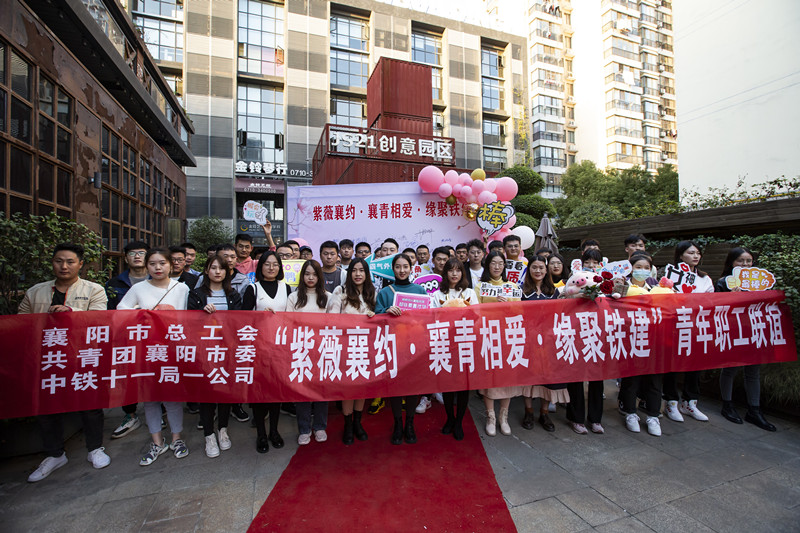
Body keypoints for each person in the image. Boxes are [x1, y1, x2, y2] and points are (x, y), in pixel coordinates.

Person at [20, 243, 110, 482]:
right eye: (59, 261)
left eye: (70, 262)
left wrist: (71, 311)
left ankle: (95, 448)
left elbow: (100, 318)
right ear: (52, 263)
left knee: (89, 403)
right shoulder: (35, 292)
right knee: (47, 407)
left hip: (81, 355)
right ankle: (55, 454)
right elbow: (21, 324)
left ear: (80, 264)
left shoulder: (94, 290)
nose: (64, 266)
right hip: (47, 358)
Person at [117, 248, 191, 465]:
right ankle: (157, 442)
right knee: (150, 398)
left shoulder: (182, 288)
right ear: (146, 266)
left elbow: (189, 317)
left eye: (162, 263)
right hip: (147, 350)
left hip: (173, 350)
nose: (158, 268)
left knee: (172, 397)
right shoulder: (138, 289)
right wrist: (140, 313)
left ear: (171, 264)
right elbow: (121, 310)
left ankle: (176, 438)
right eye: (152, 264)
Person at [187, 256, 243, 457]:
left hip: (227, 351)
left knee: (224, 392)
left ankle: (223, 430)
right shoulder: (196, 294)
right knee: (207, 393)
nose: (217, 272)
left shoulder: (233, 295)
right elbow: (189, 322)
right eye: (213, 268)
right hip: (205, 352)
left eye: (221, 268)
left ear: (227, 272)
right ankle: (209, 435)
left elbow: (238, 322)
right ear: (206, 271)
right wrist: (202, 313)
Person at [716, 247, 776, 431]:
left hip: (755, 329)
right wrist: (732, 297)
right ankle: (727, 405)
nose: (745, 264)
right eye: (740, 261)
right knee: (730, 368)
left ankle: (754, 410)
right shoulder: (724, 282)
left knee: (753, 370)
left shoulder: (761, 282)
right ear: (731, 262)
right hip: (734, 330)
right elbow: (715, 307)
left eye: (748, 261)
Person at [375, 253, 428, 444]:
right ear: (393, 269)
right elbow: (376, 317)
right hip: (393, 347)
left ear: (411, 268)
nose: (402, 270)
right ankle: (398, 423)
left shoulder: (420, 291)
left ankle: (410, 423)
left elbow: (427, 318)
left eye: (405, 266)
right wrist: (386, 312)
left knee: (413, 387)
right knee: (395, 387)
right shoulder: (385, 293)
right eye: (398, 267)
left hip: (414, 346)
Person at [242, 251, 291, 453]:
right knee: (259, 394)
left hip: (280, 349)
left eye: (275, 264)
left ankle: (274, 431)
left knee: (276, 393)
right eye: (267, 264)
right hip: (258, 350)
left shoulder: (287, 288)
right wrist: (259, 317)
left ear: (280, 267)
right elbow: (242, 321)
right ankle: (261, 434)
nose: (271, 268)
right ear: (260, 267)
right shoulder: (252, 289)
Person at [662, 240, 713, 423]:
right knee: (673, 365)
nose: (695, 256)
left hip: (697, 326)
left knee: (695, 365)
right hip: (675, 326)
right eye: (691, 253)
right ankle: (671, 402)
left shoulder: (704, 278)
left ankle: (690, 402)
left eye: (698, 253)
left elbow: (710, 301)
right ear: (681, 255)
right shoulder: (670, 275)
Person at [328, 258, 376, 444]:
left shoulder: (372, 292)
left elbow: (380, 319)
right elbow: (331, 320)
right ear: (349, 273)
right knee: (348, 388)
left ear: (366, 274)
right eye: (354, 270)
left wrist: (373, 317)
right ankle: (348, 424)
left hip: (366, 347)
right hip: (345, 348)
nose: (358, 274)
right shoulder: (340, 291)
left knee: (362, 387)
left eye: (361, 270)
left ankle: (358, 422)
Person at [430, 258, 478, 440]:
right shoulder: (437, 295)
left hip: (465, 343)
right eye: (451, 270)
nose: (454, 274)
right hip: (445, 344)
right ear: (445, 273)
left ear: (462, 273)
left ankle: (459, 422)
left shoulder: (469, 293)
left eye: (458, 270)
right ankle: (450, 418)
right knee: (447, 384)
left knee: (464, 385)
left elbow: (476, 316)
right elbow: (432, 318)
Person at [106, 240, 150, 439]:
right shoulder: (115, 283)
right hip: (126, 337)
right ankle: (130, 415)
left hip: (154, 338)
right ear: (126, 258)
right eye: (132, 253)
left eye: (141, 253)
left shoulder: (159, 280)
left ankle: (158, 412)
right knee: (127, 376)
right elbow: (109, 313)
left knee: (154, 373)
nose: (137, 256)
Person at [519, 255, 567, 433]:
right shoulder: (520, 290)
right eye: (534, 267)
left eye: (541, 268)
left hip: (549, 341)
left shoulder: (554, 291)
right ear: (529, 270)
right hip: (528, 340)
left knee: (548, 377)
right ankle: (529, 411)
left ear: (546, 270)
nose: (537, 271)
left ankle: (544, 412)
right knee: (528, 377)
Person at [477, 251, 522, 436]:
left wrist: (508, 305)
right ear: (487, 265)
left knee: (507, 377)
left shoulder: (512, 286)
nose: (497, 266)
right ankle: (491, 416)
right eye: (493, 263)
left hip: (507, 336)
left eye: (500, 263)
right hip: (488, 335)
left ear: (505, 266)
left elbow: (520, 312)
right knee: (489, 377)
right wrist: (493, 305)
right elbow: (474, 312)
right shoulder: (481, 286)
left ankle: (504, 416)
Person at [287, 260, 331, 445]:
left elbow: (334, 324)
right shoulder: (293, 297)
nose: (310, 278)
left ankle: (320, 426)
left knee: (322, 391)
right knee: (302, 392)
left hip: (322, 350)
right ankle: (304, 429)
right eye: (307, 274)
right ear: (302, 276)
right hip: (301, 350)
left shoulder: (328, 297)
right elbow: (287, 323)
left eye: (314, 274)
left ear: (319, 276)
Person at [619, 252, 663, 436]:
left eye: (646, 268)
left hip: (654, 339)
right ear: (630, 269)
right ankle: (630, 412)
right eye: (638, 267)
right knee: (631, 378)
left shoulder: (658, 289)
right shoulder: (623, 287)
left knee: (654, 379)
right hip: (630, 338)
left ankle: (653, 415)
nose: (642, 271)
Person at [565, 249, 607, 435]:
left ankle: (595, 419)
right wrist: (575, 296)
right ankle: (576, 418)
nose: (591, 265)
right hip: (575, 332)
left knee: (597, 378)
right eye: (587, 262)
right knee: (575, 376)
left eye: (595, 262)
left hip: (598, 333)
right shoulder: (574, 278)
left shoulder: (605, 281)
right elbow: (564, 297)